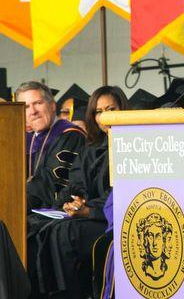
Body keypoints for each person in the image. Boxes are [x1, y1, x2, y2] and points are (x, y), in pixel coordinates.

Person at [34, 85, 129, 299]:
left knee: (66, 233)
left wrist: (88, 211)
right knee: (41, 228)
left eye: (111, 109)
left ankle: (72, 294)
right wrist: (73, 202)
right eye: (99, 111)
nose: (105, 116)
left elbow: (122, 193)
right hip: (88, 214)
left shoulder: (133, 147)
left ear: (123, 108)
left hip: (112, 219)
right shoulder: (91, 148)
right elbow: (75, 183)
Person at [15, 81, 86, 212]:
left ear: (52, 106)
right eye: (26, 107)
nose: (33, 111)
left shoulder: (70, 135)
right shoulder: (26, 139)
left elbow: (52, 182)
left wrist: (16, 203)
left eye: (38, 103)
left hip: (56, 213)